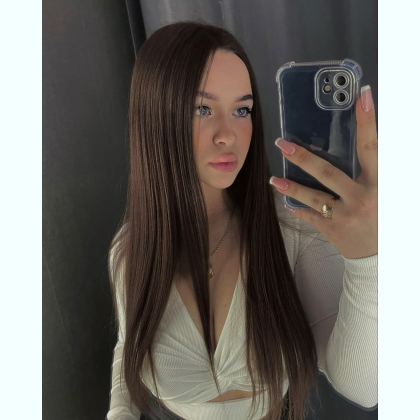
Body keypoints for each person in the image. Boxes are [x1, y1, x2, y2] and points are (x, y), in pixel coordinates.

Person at [106, 21, 377, 420]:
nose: (229, 135)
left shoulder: (293, 227)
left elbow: (363, 388)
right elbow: (129, 341)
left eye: (242, 110)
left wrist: (368, 261)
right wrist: (119, 412)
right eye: (202, 108)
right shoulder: (129, 248)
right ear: (154, 117)